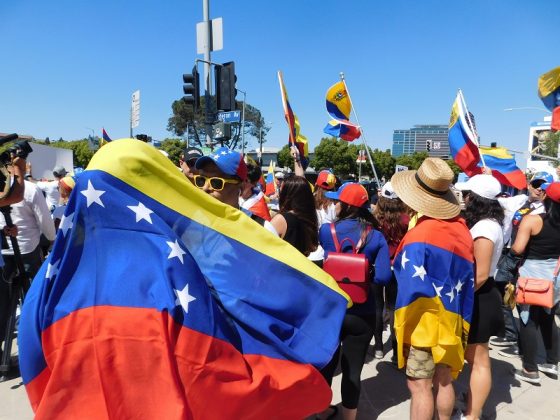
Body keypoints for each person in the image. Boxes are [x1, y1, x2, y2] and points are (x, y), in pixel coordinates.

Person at [391, 158, 475, 420]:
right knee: (445, 380)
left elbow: (408, 285)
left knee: (419, 387)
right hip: (452, 318)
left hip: (424, 324)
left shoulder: (419, 234)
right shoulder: (463, 231)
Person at [319, 182, 392, 420]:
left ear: (346, 205)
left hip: (330, 310)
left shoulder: (326, 230)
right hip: (362, 311)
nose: (334, 204)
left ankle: (321, 410)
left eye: (337, 201)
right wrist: (362, 269)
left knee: (327, 365)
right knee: (353, 370)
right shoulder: (376, 236)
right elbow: (383, 277)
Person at [496, 181, 560, 384]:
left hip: (532, 274)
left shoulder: (532, 220)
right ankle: (551, 362)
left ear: (546, 198)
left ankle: (530, 368)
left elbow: (517, 248)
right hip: (556, 275)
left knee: (527, 319)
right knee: (549, 318)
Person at [455, 174, 505, 420]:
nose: (464, 198)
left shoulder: (485, 227)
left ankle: (472, 415)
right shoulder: (490, 222)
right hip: (481, 295)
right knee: (476, 358)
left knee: (479, 360)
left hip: (479, 297)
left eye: (467, 194)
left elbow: (481, 273)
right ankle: (473, 405)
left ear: (475, 199)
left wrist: (458, 299)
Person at [492, 171, 552, 357]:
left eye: (543, 186)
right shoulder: (518, 201)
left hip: (527, 258)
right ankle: (511, 334)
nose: (538, 189)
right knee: (501, 291)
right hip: (508, 252)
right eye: (536, 184)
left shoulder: (548, 210)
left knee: (522, 299)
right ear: (529, 185)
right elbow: (497, 200)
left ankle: (523, 343)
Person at [194, 147, 277, 235]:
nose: (205, 188)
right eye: (201, 180)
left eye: (216, 182)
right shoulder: (189, 223)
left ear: (240, 187)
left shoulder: (262, 230)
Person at [374, 181, 411, 362]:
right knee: (395, 309)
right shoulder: (406, 220)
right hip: (398, 268)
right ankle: (397, 352)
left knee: (378, 307)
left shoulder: (376, 219)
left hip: (377, 266)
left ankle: (379, 347)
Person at [270, 175, 318, 256]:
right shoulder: (310, 217)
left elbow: (264, 246)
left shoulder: (281, 220)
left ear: (287, 195)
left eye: (281, 191)